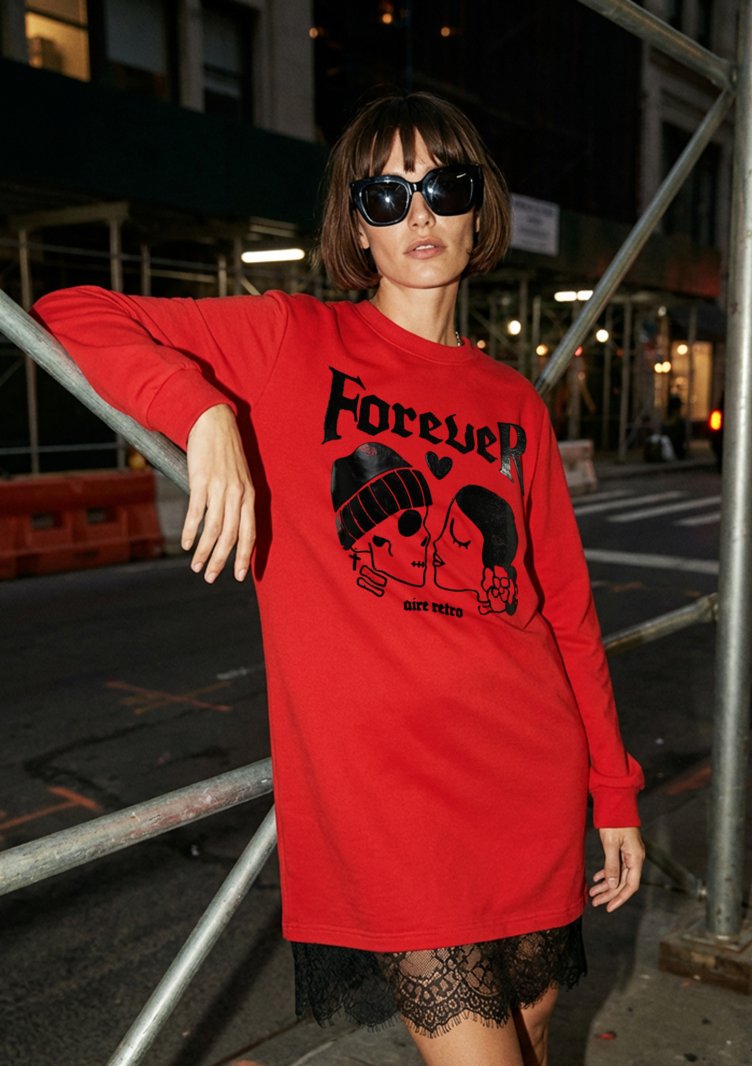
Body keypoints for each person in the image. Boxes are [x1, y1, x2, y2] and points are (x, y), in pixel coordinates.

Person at [33, 90, 645, 1066]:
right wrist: (202, 412)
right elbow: (73, 312)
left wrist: (612, 791)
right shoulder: (292, 337)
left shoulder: (512, 402)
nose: (418, 214)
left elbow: (563, 612)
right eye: (385, 195)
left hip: (526, 770)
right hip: (390, 801)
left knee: (534, 1028)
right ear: (356, 225)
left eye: (442, 187)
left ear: (477, 207)